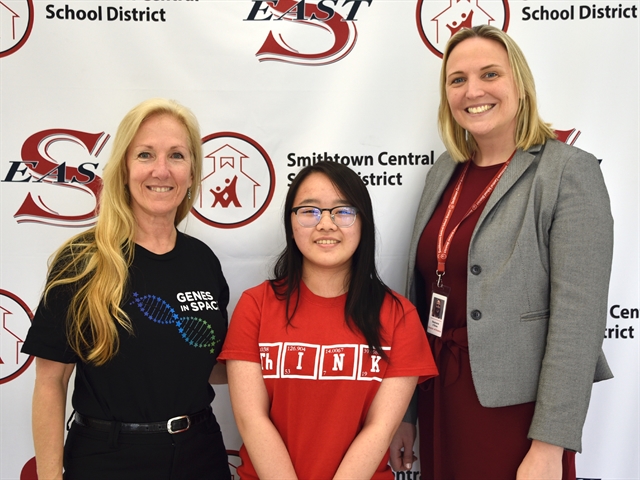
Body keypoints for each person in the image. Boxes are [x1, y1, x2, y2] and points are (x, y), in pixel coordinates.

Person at [389, 25, 614, 480]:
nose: (473, 91)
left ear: (519, 84)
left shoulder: (568, 171)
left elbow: (578, 321)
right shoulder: (443, 173)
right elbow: (418, 303)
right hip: (439, 391)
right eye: (457, 80)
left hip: (518, 411)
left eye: (490, 74)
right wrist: (406, 413)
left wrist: (551, 444)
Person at [22, 98, 232, 480]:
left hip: (201, 453)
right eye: (146, 154)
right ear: (123, 168)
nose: (161, 170)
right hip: (109, 459)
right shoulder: (83, 260)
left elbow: (207, 363)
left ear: (192, 173)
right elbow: (51, 381)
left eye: (177, 156)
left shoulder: (202, 261)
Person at [218, 161, 438, 479]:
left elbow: (380, 429)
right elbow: (252, 419)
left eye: (343, 211)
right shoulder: (257, 305)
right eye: (310, 211)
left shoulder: (398, 315)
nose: (326, 224)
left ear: (363, 223)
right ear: (291, 224)